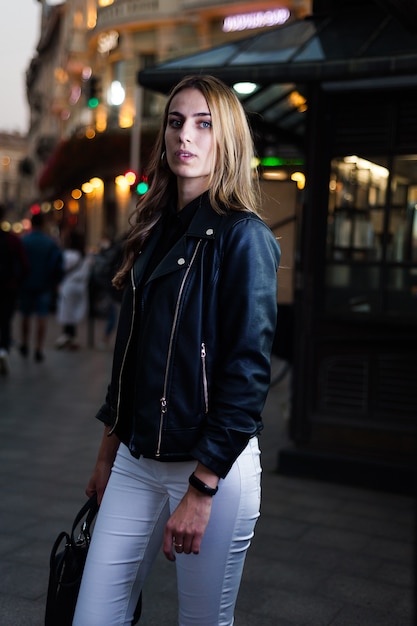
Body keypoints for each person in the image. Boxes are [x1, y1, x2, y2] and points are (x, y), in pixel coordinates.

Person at [73, 74, 281, 626]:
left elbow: (247, 371)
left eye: (203, 123)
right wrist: (106, 451)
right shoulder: (152, 230)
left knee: (202, 622)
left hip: (212, 466)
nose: (184, 135)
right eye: (175, 121)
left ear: (227, 137)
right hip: (137, 460)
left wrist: (203, 487)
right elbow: (130, 356)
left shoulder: (244, 236)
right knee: (92, 615)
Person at [19, 212, 63, 362]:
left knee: (25, 315)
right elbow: (58, 263)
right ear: (43, 224)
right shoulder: (50, 243)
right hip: (44, 284)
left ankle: (24, 343)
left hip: (26, 283)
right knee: (42, 316)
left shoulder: (24, 241)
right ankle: (38, 348)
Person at [0, 204, 29, 375]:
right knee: (5, 321)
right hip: (8, 287)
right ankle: (3, 350)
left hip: (9, 286)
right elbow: (25, 265)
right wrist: (16, 281)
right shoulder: (12, 239)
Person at [55, 230, 92, 350]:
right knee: (74, 311)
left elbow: (61, 268)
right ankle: (72, 336)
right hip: (81, 286)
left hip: (69, 286)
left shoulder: (68, 255)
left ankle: (67, 335)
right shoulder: (86, 255)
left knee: (67, 311)